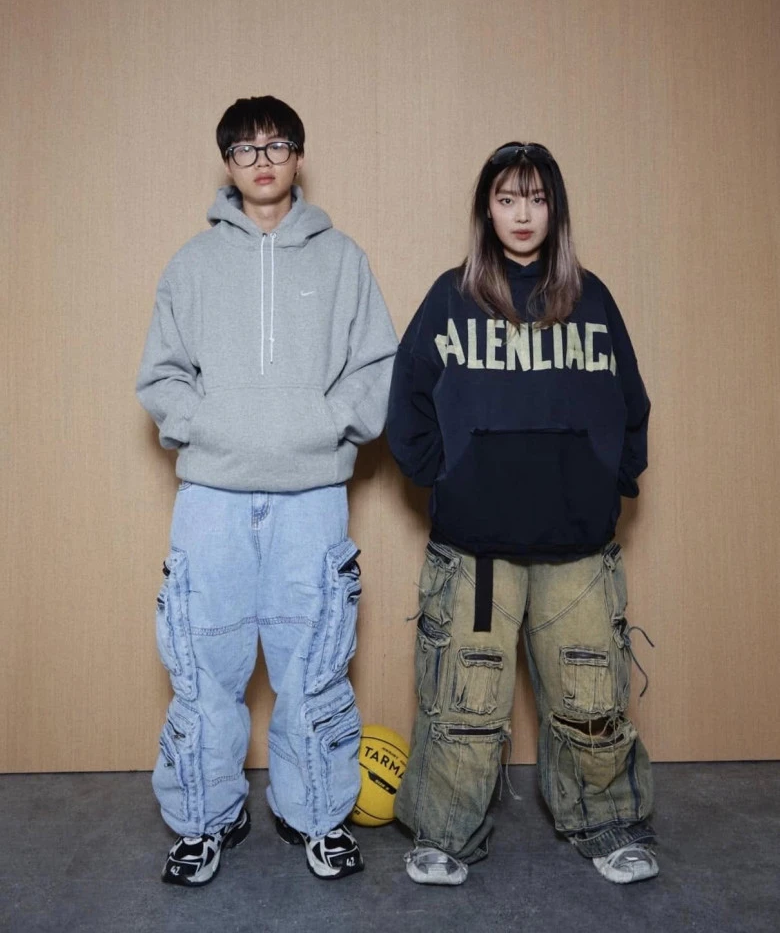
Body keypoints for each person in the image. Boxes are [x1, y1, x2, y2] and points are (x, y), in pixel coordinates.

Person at [137, 95, 397, 886]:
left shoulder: (342, 258)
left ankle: (315, 815)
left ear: (297, 156)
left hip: (311, 494)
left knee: (314, 665)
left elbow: (377, 368)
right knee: (202, 669)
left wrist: (323, 425)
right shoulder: (192, 262)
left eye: (276, 145)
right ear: (228, 162)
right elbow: (161, 376)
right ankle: (204, 820)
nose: (262, 160)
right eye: (246, 148)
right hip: (211, 496)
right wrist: (207, 426)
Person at [386, 142, 657, 886]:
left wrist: (607, 479)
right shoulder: (451, 298)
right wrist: (448, 480)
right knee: (463, 699)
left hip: (577, 543)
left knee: (591, 694)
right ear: (487, 209)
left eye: (536, 199)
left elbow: (631, 404)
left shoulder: (592, 300)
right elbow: (406, 403)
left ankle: (609, 824)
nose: (523, 215)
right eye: (507, 199)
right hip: (476, 550)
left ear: (555, 209)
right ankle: (445, 835)